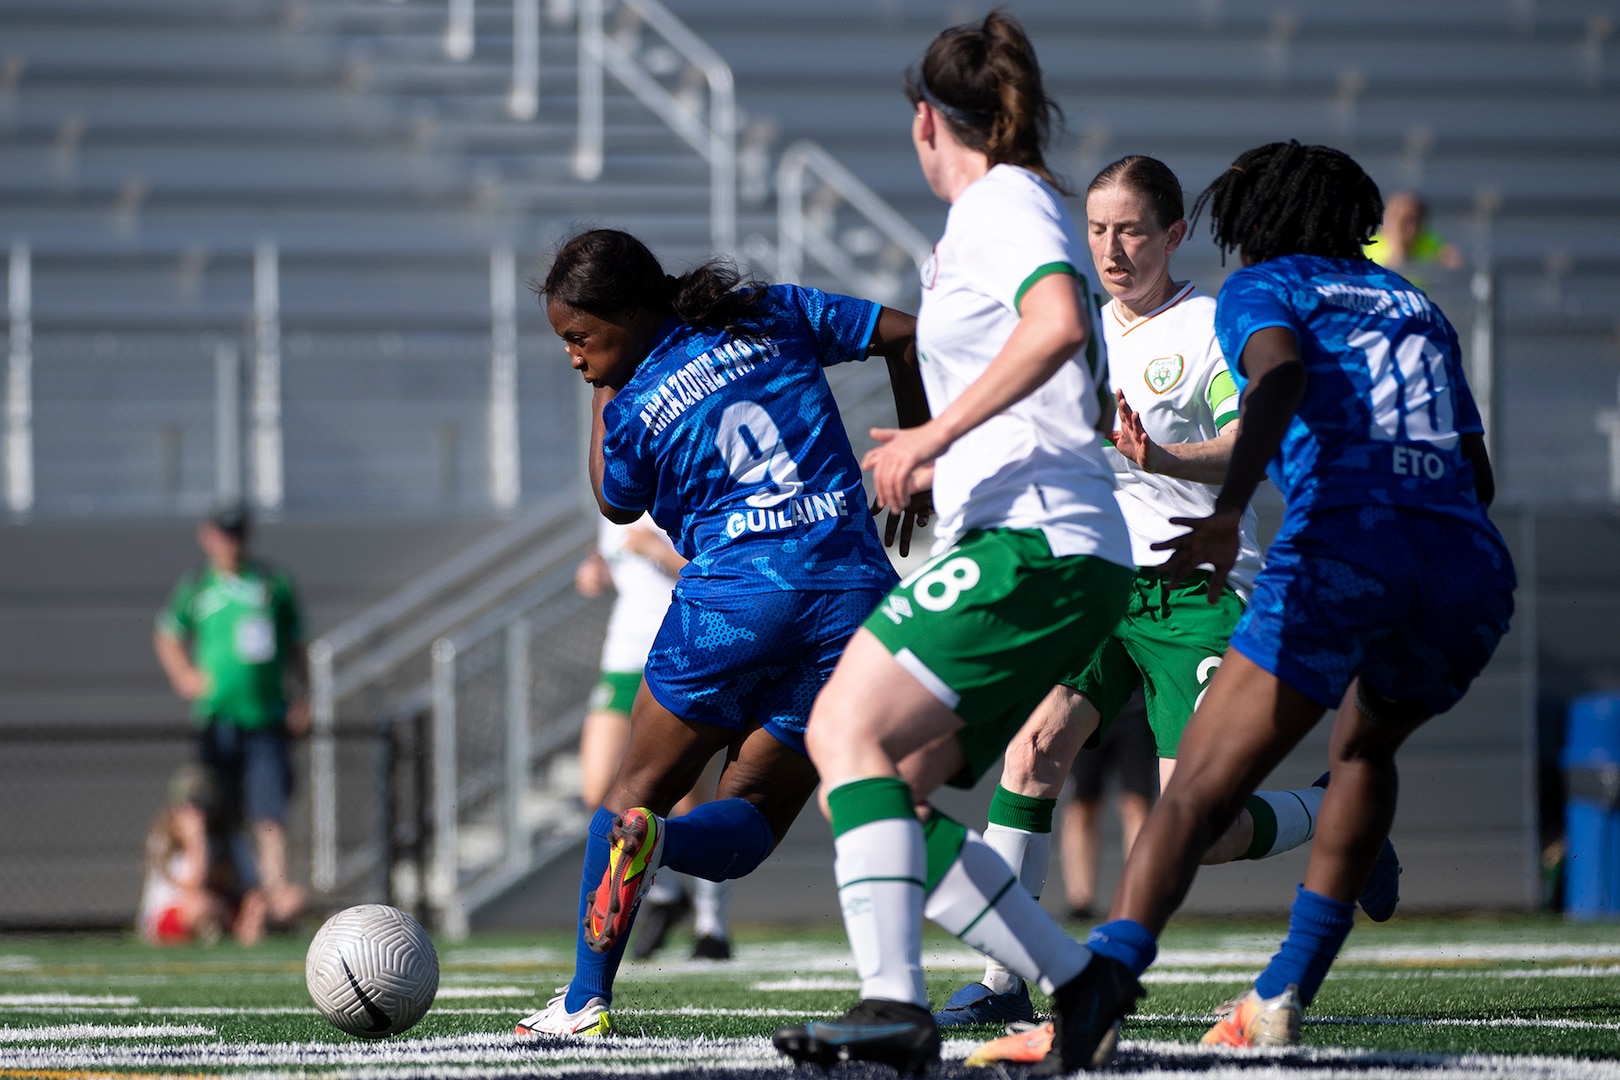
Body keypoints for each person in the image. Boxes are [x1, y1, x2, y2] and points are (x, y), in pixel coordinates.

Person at [1053, 140, 1513, 1064]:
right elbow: (1478, 469)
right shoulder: (1415, 304)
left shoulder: (1265, 290)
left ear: (1247, 224)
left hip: (1341, 544)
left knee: (1191, 802)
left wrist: (1226, 515)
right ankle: (1280, 991)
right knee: (1362, 754)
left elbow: (1282, 380)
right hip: (1467, 558)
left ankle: (1094, 1001)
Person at [940, 154, 1398, 1037]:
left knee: (1204, 827)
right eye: (1099, 230)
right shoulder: (1070, 323)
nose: (1113, 249)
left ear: (1175, 235)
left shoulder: (1212, 324)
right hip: (1097, 586)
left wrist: (1161, 459)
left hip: (1198, 586)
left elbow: (1248, 439)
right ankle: (1001, 977)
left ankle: (1342, 819)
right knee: (1032, 751)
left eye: (1133, 231)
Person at [771, 14, 1138, 1075]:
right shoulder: (1006, 207)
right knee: (893, 786)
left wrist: (935, 432)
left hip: (1042, 546)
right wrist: (949, 464)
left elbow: (1061, 321)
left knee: (842, 725)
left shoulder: (999, 202)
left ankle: (894, 1004)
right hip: (1043, 538)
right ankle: (1082, 981)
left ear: (929, 121)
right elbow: (1051, 376)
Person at [511, 227, 927, 1038]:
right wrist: (916, 447)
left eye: (579, 339)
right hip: (851, 600)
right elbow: (905, 334)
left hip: (736, 605)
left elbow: (613, 501)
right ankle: (663, 849)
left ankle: (582, 1000)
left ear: (627, 314)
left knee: (627, 798)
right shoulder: (770, 311)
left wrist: (608, 383)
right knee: (751, 825)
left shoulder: (630, 404)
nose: (574, 357)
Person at [574, 519, 733, 961]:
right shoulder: (613, 506)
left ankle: (711, 924)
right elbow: (612, 559)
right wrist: (596, 571)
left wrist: (658, 552)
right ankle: (665, 896)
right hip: (624, 656)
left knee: (687, 800)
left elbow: (721, 570)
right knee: (598, 788)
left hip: (677, 652)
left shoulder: (680, 492)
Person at [154, 504, 308, 928]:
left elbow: (297, 645)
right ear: (208, 537)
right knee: (207, 807)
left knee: (268, 808)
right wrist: (184, 674)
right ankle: (211, 892)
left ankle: (272, 892)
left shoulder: (272, 584)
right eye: (223, 534)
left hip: (265, 717)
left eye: (237, 533)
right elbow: (167, 633)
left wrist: (302, 694)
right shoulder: (198, 587)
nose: (231, 542)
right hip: (217, 720)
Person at [137, 764, 267, 946]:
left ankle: (238, 933)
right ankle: (225, 932)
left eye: (203, 806)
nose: (198, 814)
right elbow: (192, 887)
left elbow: (251, 887)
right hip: (172, 913)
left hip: (216, 905)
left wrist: (250, 910)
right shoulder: (165, 840)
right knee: (200, 907)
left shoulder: (226, 838)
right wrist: (196, 841)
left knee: (270, 903)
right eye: (190, 806)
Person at [1060, 693, 1155, 922]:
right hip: (1085, 707)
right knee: (1081, 807)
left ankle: (1137, 899)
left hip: (1137, 710)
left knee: (1136, 805)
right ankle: (1080, 902)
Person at [1364, 190, 1464, 284]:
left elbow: (1456, 269)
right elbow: (1395, 277)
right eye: (1405, 220)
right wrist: (1397, 244)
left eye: (1417, 220)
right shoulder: (1372, 246)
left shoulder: (1430, 241)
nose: (1412, 227)